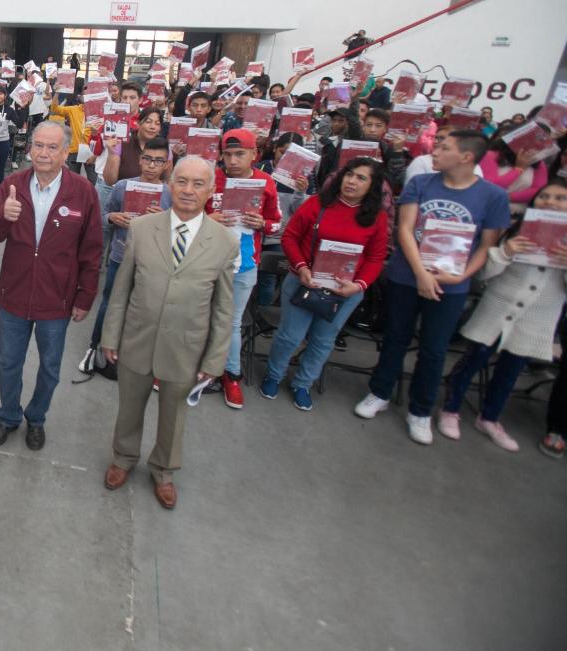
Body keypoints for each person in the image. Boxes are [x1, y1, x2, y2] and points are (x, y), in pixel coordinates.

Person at [355, 131, 511, 444]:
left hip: (451, 285)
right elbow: (405, 230)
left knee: (434, 349)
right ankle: (380, 392)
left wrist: (460, 275)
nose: (434, 151)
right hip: (406, 277)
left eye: (444, 148)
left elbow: (487, 246)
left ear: (466, 157)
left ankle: (421, 410)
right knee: (395, 337)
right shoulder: (420, 184)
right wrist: (421, 273)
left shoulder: (493, 196)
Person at [100, 156, 238, 509]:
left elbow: (224, 308)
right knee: (129, 408)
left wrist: (214, 358)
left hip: (185, 347)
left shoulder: (224, 241)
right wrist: (110, 336)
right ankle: (123, 458)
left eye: (197, 184)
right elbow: (122, 290)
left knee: (174, 416)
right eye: (181, 181)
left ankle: (163, 470)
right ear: (169, 184)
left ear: (211, 190)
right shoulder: (143, 228)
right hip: (137, 338)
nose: (188, 190)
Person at [0, 121, 102, 450]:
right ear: (30, 147)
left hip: (57, 298)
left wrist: (84, 298)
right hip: (15, 293)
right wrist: (2, 215)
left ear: (66, 152)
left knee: (49, 366)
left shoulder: (83, 191)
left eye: (52, 147)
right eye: (38, 146)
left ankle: (36, 418)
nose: (43, 153)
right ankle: (8, 416)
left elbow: (92, 251)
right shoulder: (12, 184)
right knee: (8, 362)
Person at [438, 179, 567, 451]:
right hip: (498, 308)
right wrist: (506, 252)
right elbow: (484, 273)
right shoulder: (514, 229)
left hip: (536, 318)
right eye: (545, 196)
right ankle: (450, 408)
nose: (551, 203)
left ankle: (490, 417)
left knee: (510, 372)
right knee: (473, 360)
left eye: (560, 199)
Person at [260, 159, 389, 410]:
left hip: (345, 291)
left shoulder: (377, 218)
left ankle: (303, 383)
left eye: (361, 178)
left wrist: (359, 285)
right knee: (290, 336)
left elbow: (375, 257)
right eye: (349, 175)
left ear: (373, 186)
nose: (352, 181)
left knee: (323, 340)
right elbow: (291, 237)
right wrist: (301, 267)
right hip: (304, 282)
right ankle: (274, 375)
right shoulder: (318, 204)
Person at [80, 137, 171, 376]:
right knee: (110, 302)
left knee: (144, 308)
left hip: (152, 262)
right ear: (140, 160)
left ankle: (131, 354)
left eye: (159, 161)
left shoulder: (170, 195)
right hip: (121, 256)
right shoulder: (122, 186)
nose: (152, 165)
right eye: (148, 159)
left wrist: (163, 219)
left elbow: (177, 231)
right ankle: (94, 347)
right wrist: (113, 218)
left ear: (166, 164)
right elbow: (105, 215)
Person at [207, 128, 281, 407]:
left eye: (240, 154)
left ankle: (231, 374)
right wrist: (209, 218)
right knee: (197, 315)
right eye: (228, 154)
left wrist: (263, 224)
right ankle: (190, 368)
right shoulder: (212, 177)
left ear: (254, 154)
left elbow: (276, 223)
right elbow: (189, 214)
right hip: (208, 261)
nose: (233, 160)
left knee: (231, 321)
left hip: (245, 264)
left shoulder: (266, 183)